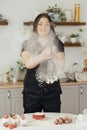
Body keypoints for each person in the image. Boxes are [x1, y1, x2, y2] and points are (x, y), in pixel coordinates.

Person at [21, 13, 65, 113]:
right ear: (36, 26)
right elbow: (28, 64)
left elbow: (62, 65)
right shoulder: (27, 43)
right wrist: (43, 55)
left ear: (50, 26)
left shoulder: (57, 43)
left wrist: (53, 55)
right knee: (31, 123)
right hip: (31, 92)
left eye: (47, 24)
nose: (43, 27)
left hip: (52, 92)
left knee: (52, 122)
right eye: (40, 24)